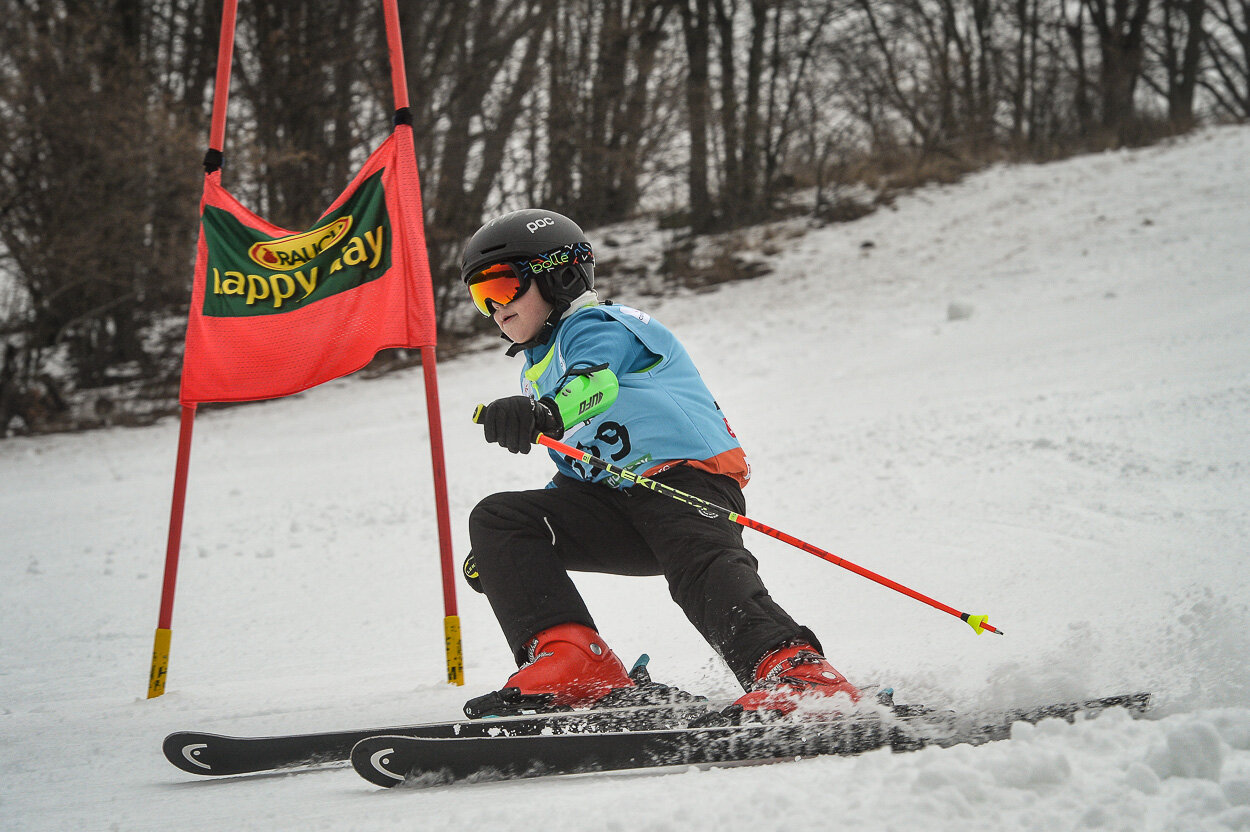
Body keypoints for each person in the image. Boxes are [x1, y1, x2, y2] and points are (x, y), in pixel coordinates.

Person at [460, 208, 860, 720]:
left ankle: (796, 672)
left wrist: (546, 414)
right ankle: (578, 665)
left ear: (558, 275)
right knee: (500, 520)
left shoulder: (598, 325)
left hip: (685, 481)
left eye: (502, 287)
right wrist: (508, 557)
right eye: (481, 297)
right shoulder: (538, 368)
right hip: (617, 503)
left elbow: (595, 386)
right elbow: (579, 465)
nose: (494, 308)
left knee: (698, 565)